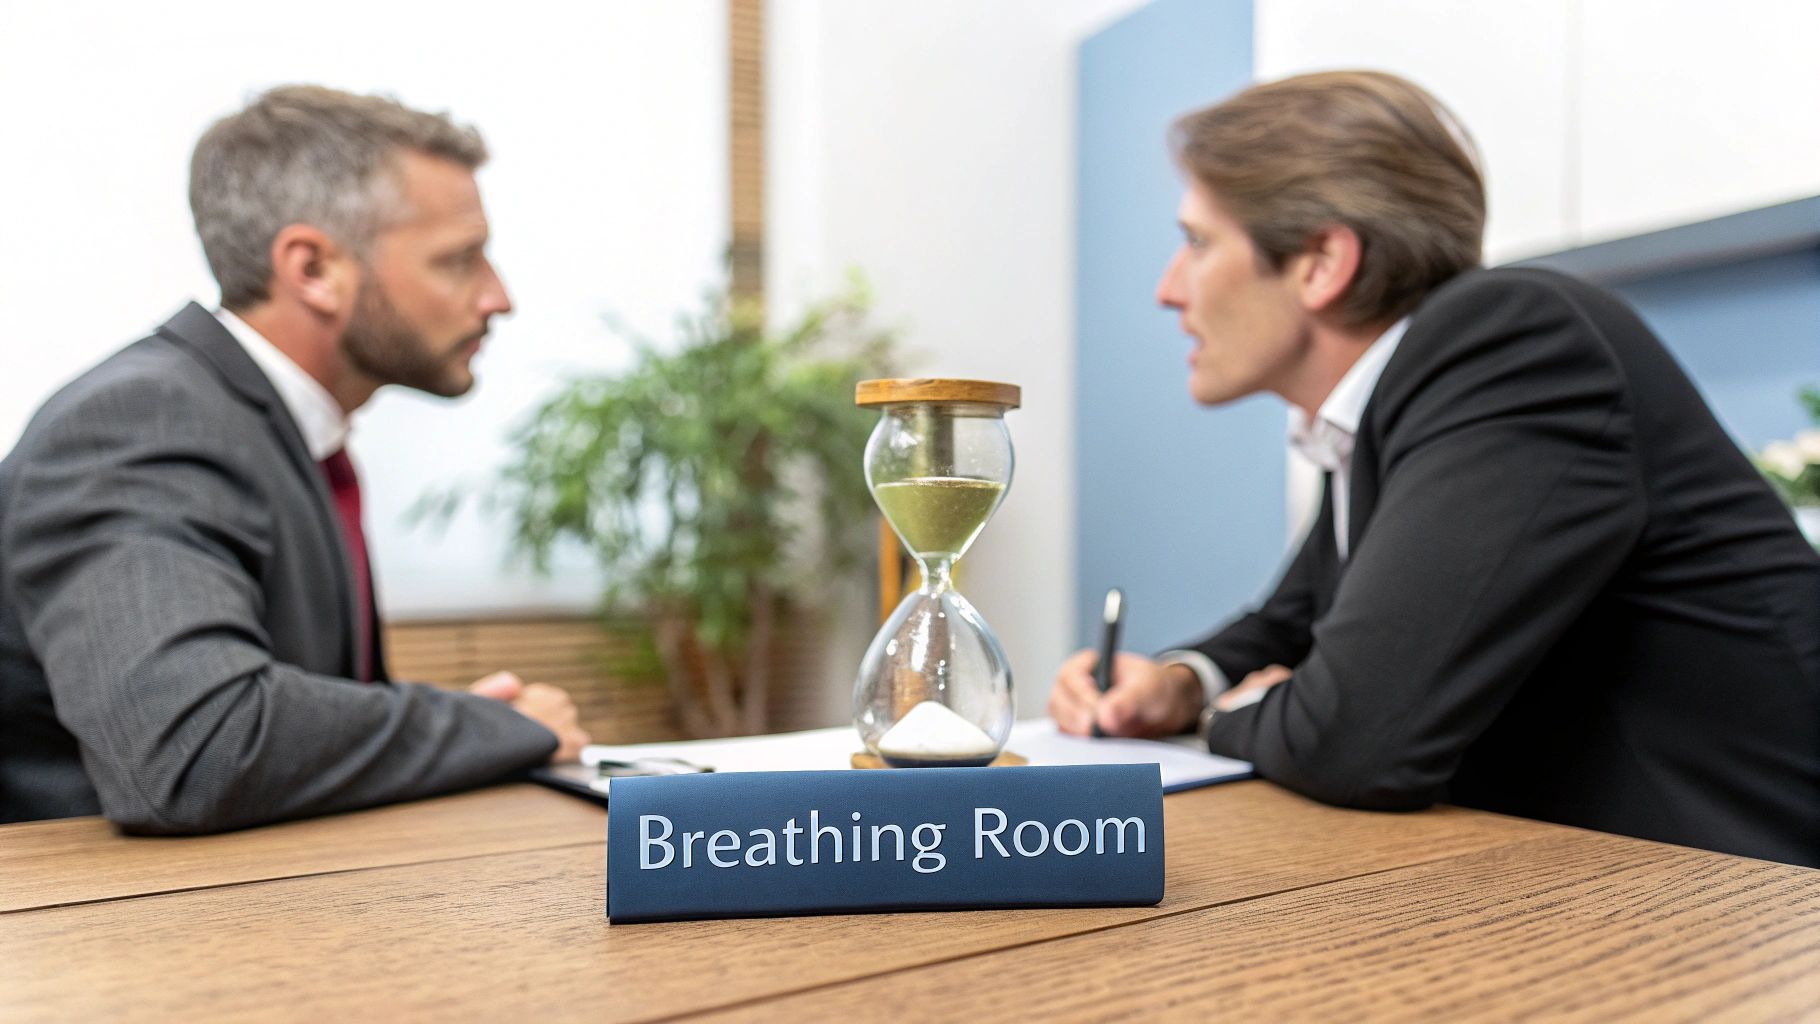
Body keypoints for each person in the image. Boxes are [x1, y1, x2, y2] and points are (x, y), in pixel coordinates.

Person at [1050, 70, 1820, 867]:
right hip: (1586, 879)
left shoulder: (1510, 345)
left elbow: (1352, 740)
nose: (1167, 290)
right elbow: (1297, 620)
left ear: (1321, 260)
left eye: (1198, 243)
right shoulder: (1393, 408)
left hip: (1755, 906)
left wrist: (1226, 718)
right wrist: (1180, 684)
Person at [0, 85, 590, 833]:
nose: (498, 297)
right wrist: (493, 727)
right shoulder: (142, 422)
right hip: (112, 935)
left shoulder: (276, 432)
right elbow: (197, 746)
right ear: (312, 268)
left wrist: (459, 734)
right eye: (459, 260)